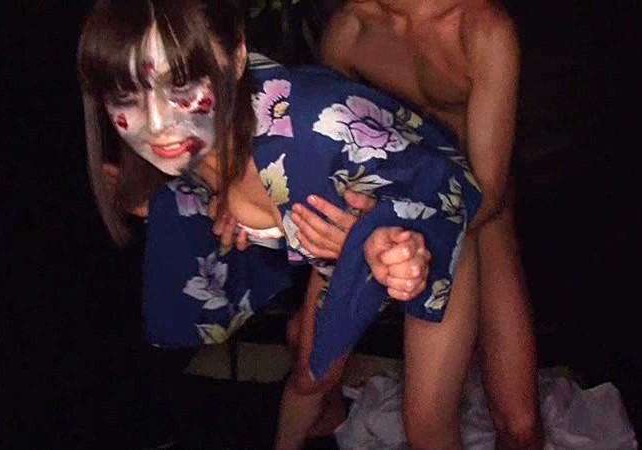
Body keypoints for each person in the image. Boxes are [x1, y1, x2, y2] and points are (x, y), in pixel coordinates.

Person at [77, 0, 483, 447]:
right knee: (310, 375)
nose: (157, 124)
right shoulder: (191, 144)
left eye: (181, 83)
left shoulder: (319, 125)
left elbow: (453, 191)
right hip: (334, 253)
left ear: (236, 57)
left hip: (439, 235)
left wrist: (378, 239)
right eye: (127, 95)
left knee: (427, 426)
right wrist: (186, 198)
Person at [287, 0, 544, 448]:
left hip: (476, 212)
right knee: (307, 357)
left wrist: (389, 231)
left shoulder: (481, 29)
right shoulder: (350, 28)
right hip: (384, 208)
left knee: (518, 423)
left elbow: (487, 189)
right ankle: (328, 416)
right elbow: (321, 143)